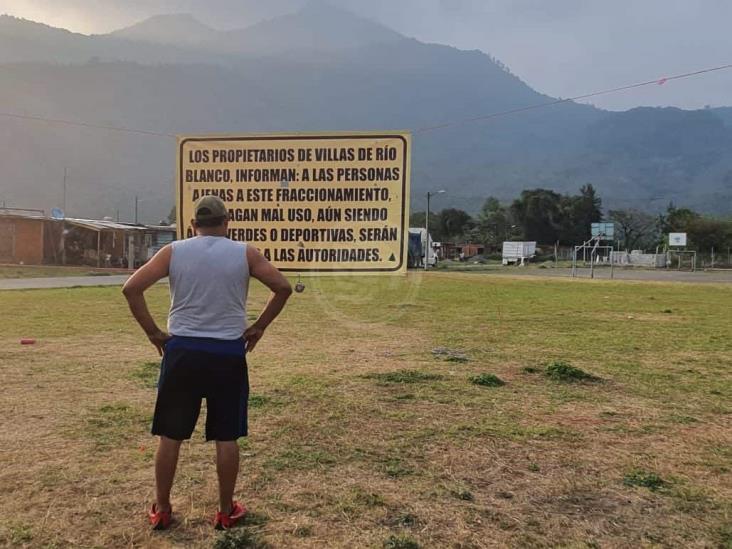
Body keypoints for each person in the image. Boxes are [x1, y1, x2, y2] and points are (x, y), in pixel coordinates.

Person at [122, 195, 292, 531]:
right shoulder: (244, 253)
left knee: (170, 436)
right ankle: (225, 510)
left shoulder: (174, 251)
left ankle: (163, 508)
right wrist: (258, 327)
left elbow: (132, 288)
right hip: (227, 352)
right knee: (226, 436)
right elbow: (282, 287)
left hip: (182, 351)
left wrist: (154, 333)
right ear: (227, 223)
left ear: (192, 225)